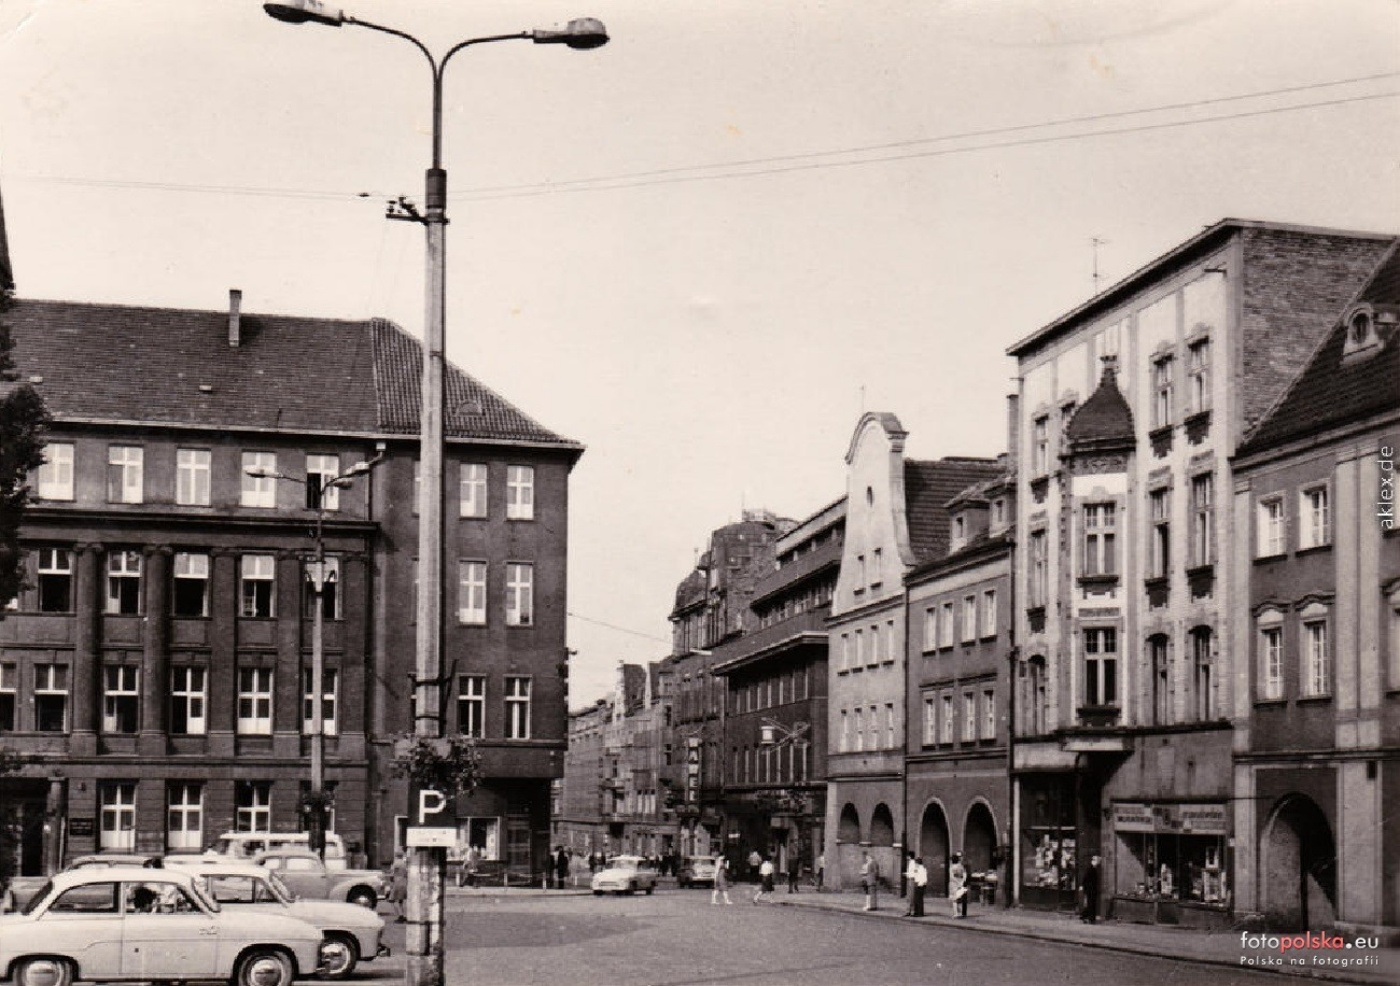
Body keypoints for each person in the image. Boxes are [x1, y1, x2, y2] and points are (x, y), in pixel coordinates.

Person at [1080, 854, 1102, 924]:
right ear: (1094, 861)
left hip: (1092, 889)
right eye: (1098, 862)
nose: (1098, 863)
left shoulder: (1093, 869)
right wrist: (1085, 888)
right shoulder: (1090, 869)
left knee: (1090, 904)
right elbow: (1085, 879)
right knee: (1091, 904)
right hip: (1090, 890)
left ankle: (1085, 916)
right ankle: (1091, 919)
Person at [389, 850, 408, 922]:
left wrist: (391, 883)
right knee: (400, 901)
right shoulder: (404, 863)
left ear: (396, 855)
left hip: (397, 883)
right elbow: (406, 874)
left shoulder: (395, 863)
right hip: (404, 882)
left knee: (392, 900)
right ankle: (402, 914)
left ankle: (400, 916)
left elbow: (392, 874)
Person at [949, 852, 968, 918]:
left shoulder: (952, 867)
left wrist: (956, 882)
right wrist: (962, 882)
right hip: (960, 884)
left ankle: (956, 913)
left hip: (954, 884)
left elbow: (952, 877)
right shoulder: (961, 866)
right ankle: (960, 913)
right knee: (959, 898)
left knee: (954, 900)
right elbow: (964, 875)